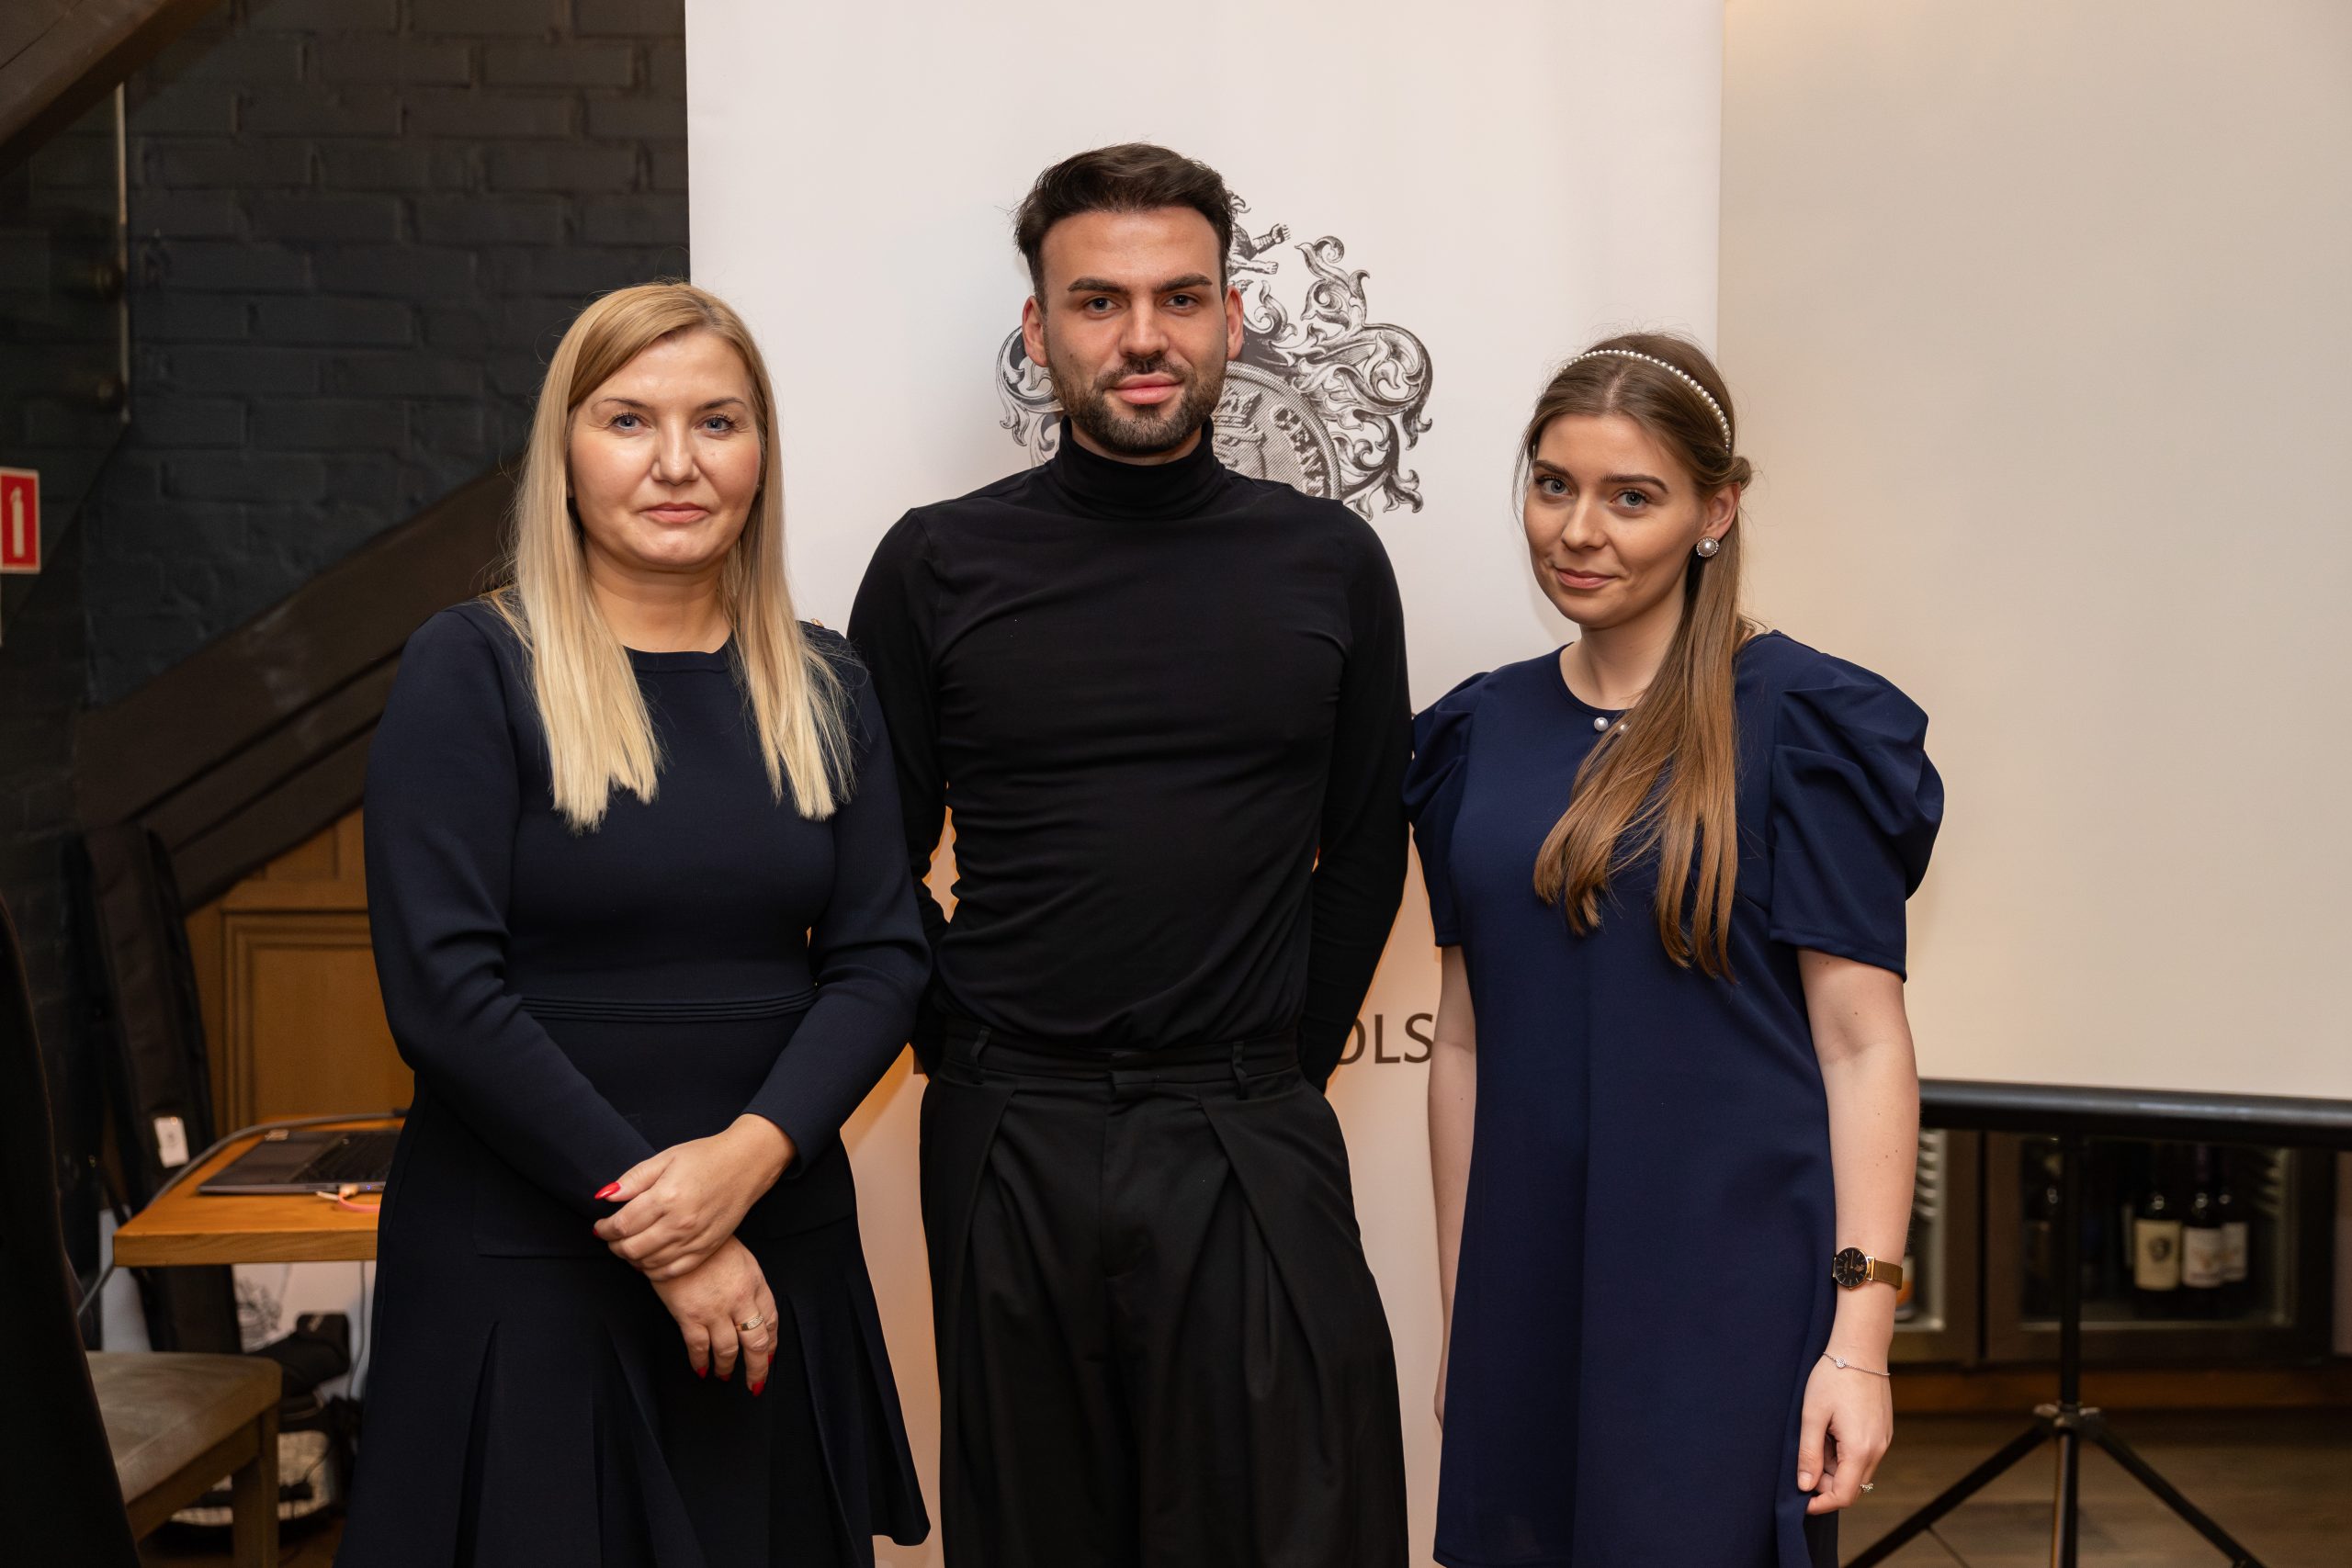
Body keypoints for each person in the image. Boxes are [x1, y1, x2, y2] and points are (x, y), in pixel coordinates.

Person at [848, 143, 1411, 1568]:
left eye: (1180, 297)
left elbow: (1365, 839)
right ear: (1039, 330)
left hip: (1246, 1120)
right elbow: (870, 863)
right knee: (1036, 1537)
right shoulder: (933, 566)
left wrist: (1282, 1061)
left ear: (1233, 317)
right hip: (1011, 1128)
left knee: (1297, 1527)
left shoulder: (1330, 561)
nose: (1143, 337)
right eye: (1099, 301)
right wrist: (967, 1046)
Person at [340, 283, 929, 1568]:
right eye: (627, 420)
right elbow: (444, 991)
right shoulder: (470, 667)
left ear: (760, 452)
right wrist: (665, 1228)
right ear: (564, 450)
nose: (676, 462)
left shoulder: (827, 682)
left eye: (716, 421)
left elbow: (885, 958)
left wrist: (742, 1169)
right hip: (527, 1260)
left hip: (775, 1244)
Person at [1410, 334, 1941, 1567]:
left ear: (1716, 511)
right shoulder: (1477, 733)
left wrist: (1860, 1345)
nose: (1578, 531)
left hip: (1729, 1302)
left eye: (1630, 497)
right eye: (1554, 485)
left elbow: (1863, 1048)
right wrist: (1467, 1316)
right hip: (1526, 1297)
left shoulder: (1806, 725)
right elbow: (1466, 1045)